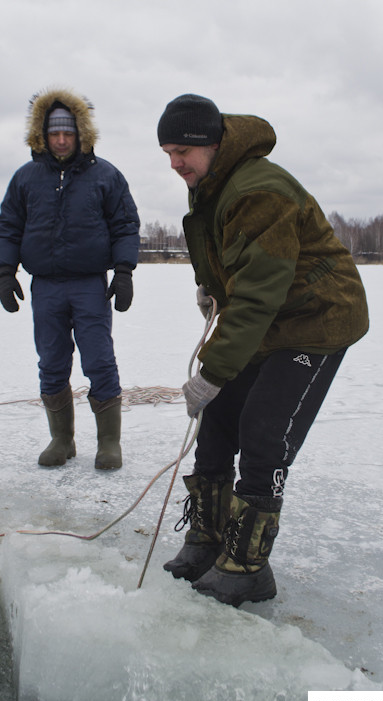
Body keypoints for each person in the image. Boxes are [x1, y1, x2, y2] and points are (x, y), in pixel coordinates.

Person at [157, 94, 369, 607]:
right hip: (273, 321)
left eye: (182, 149)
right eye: (167, 152)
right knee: (219, 417)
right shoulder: (211, 185)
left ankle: (248, 564)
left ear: (212, 144)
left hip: (317, 320)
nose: (174, 163)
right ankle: (207, 539)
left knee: (262, 427)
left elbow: (257, 295)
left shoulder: (259, 190)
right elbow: (232, 261)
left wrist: (210, 371)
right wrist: (210, 286)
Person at [0, 88, 140, 470]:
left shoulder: (106, 176)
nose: (61, 140)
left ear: (81, 134)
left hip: (90, 284)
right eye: (54, 134)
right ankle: (62, 439)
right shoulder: (25, 178)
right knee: (52, 361)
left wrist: (124, 271)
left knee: (99, 360)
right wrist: (5, 272)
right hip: (45, 286)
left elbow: (125, 225)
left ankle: (109, 442)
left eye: (68, 133)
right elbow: (9, 227)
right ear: (42, 136)